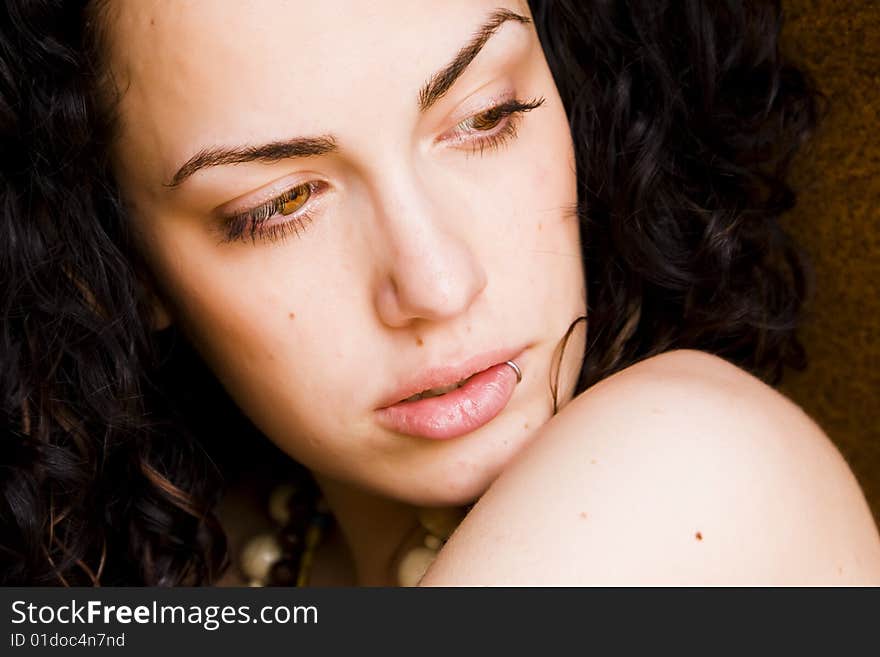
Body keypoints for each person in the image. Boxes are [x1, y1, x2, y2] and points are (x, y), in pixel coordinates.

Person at [2, 0, 879, 587]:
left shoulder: (694, 469)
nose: (438, 284)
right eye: (280, 205)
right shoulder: (224, 552)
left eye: (487, 117)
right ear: (120, 258)